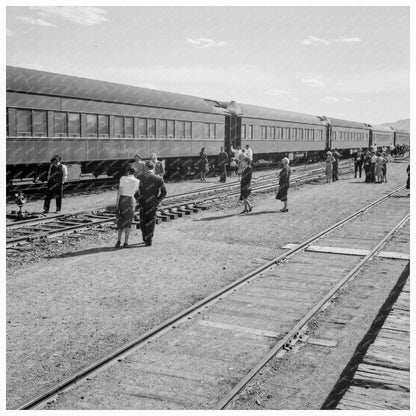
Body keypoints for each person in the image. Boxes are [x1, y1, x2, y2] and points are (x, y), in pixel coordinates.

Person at [138, 161, 167, 246]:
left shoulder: (140, 177)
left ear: (146, 167)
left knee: (143, 220)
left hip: (143, 203)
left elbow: (135, 192)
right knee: (151, 221)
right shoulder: (158, 178)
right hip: (153, 203)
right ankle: (149, 239)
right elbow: (164, 192)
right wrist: (157, 200)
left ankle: (144, 237)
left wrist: (139, 200)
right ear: (153, 168)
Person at [114, 166, 140, 248]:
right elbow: (135, 191)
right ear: (134, 173)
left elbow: (120, 192)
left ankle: (118, 241)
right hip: (131, 201)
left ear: (128, 171)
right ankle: (126, 242)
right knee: (128, 222)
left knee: (120, 221)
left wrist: (117, 204)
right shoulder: (137, 181)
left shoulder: (123, 178)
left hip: (123, 200)